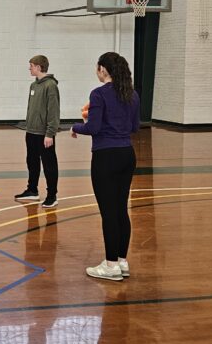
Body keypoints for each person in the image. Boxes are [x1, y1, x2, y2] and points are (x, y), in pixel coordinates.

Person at [71, 52, 140, 281]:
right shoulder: (132, 94)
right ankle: (121, 261)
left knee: (109, 212)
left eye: (97, 68)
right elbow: (134, 127)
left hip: (106, 157)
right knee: (120, 209)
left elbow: (93, 128)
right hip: (127, 155)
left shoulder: (98, 94)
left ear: (103, 69)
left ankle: (110, 266)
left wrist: (76, 127)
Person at [14, 55, 61, 208]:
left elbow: (53, 111)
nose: (29, 68)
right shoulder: (33, 85)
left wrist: (50, 133)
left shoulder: (51, 86)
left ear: (39, 67)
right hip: (31, 132)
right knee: (32, 162)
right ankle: (32, 190)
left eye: (32, 66)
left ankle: (52, 195)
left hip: (44, 134)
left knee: (49, 165)